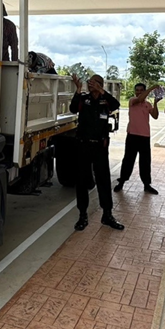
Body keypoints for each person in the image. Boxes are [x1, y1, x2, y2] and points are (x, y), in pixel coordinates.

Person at [69, 74, 125, 231]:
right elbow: (73, 109)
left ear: (100, 85)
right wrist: (78, 90)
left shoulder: (105, 100)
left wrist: (102, 91)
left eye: (93, 83)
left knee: (103, 180)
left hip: (100, 147)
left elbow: (116, 105)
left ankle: (107, 214)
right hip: (83, 145)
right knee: (81, 181)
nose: (90, 85)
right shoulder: (83, 99)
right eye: (89, 83)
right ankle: (82, 215)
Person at [114, 83, 161, 194]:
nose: (139, 92)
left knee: (145, 161)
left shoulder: (147, 104)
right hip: (132, 135)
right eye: (137, 90)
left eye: (141, 90)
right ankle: (121, 182)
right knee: (128, 160)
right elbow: (140, 98)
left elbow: (155, 116)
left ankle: (146, 184)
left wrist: (155, 103)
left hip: (145, 136)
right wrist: (151, 87)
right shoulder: (132, 101)